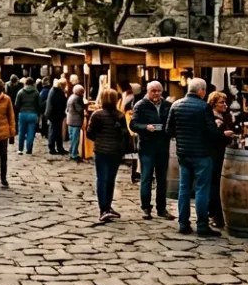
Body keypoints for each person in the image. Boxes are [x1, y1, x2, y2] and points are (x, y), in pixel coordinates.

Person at [166, 78, 231, 236]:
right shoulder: (204, 107)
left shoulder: (176, 105)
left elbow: (169, 130)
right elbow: (212, 132)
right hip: (202, 154)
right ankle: (202, 226)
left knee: (184, 189)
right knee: (202, 189)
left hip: (183, 153)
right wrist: (223, 136)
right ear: (201, 91)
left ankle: (183, 224)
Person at [85, 87, 129, 222]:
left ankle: (103, 208)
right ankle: (107, 206)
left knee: (101, 179)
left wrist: (99, 140)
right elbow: (125, 135)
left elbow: (89, 133)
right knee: (110, 179)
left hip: (101, 151)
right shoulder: (120, 116)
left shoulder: (97, 115)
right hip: (115, 151)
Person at [131, 81, 172, 219]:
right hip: (147, 146)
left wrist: (169, 130)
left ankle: (162, 208)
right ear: (148, 91)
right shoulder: (140, 105)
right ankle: (146, 207)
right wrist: (145, 127)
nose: (156, 94)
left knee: (162, 178)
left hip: (162, 146)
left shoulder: (167, 105)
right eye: (153, 91)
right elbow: (133, 124)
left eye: (159, 91)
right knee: (146, 177)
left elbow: (172, 123)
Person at [206, 90, 235, 228]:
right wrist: (223, 134)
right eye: (221, 102)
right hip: (214, 153)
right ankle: (214, 213)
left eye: (225, 102)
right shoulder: (211, 117)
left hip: (222, 152)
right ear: (214, 104)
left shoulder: (224, 116)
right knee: (215, 183)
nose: (225, 105)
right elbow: (211, 136)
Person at [14, 77, 42, 155]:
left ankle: (20, 149)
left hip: (23, 113)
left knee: (21, 132)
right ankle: (29, 149)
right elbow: (39, 105)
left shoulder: (20, 92)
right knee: (31, 133)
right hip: (33, 114)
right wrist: (38, 114)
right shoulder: (36, 92)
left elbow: (16, 104)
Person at [46, 78, 68, 155]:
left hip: (54, 114)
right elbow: (61, 104)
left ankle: (59, 147)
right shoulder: (57, 92)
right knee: (54, 131)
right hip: (55, 115)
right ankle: (52, 147)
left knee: (57, 131)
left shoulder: (54, 90)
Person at [66, 85, 87, 162]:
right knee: (75, 138)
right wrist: (85, 106)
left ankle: (72, 152)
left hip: (70, 119)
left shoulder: (71, 97)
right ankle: (74, 154)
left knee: (72, 138)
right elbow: (79, 109)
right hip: (76, 120)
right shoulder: (77, 98)